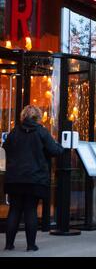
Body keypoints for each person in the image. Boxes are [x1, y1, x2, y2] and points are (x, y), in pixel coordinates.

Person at [3, 105, 64, 251]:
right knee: (31, 210)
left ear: (23, 116)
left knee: (14, 210)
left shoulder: (14, 132)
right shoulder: (42, 132)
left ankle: (9, 244)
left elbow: (7, 148)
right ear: (38, 117)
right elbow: (55, 150)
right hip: (35, 178)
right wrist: (61, 147)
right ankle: (31, 245)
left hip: (14, 178)